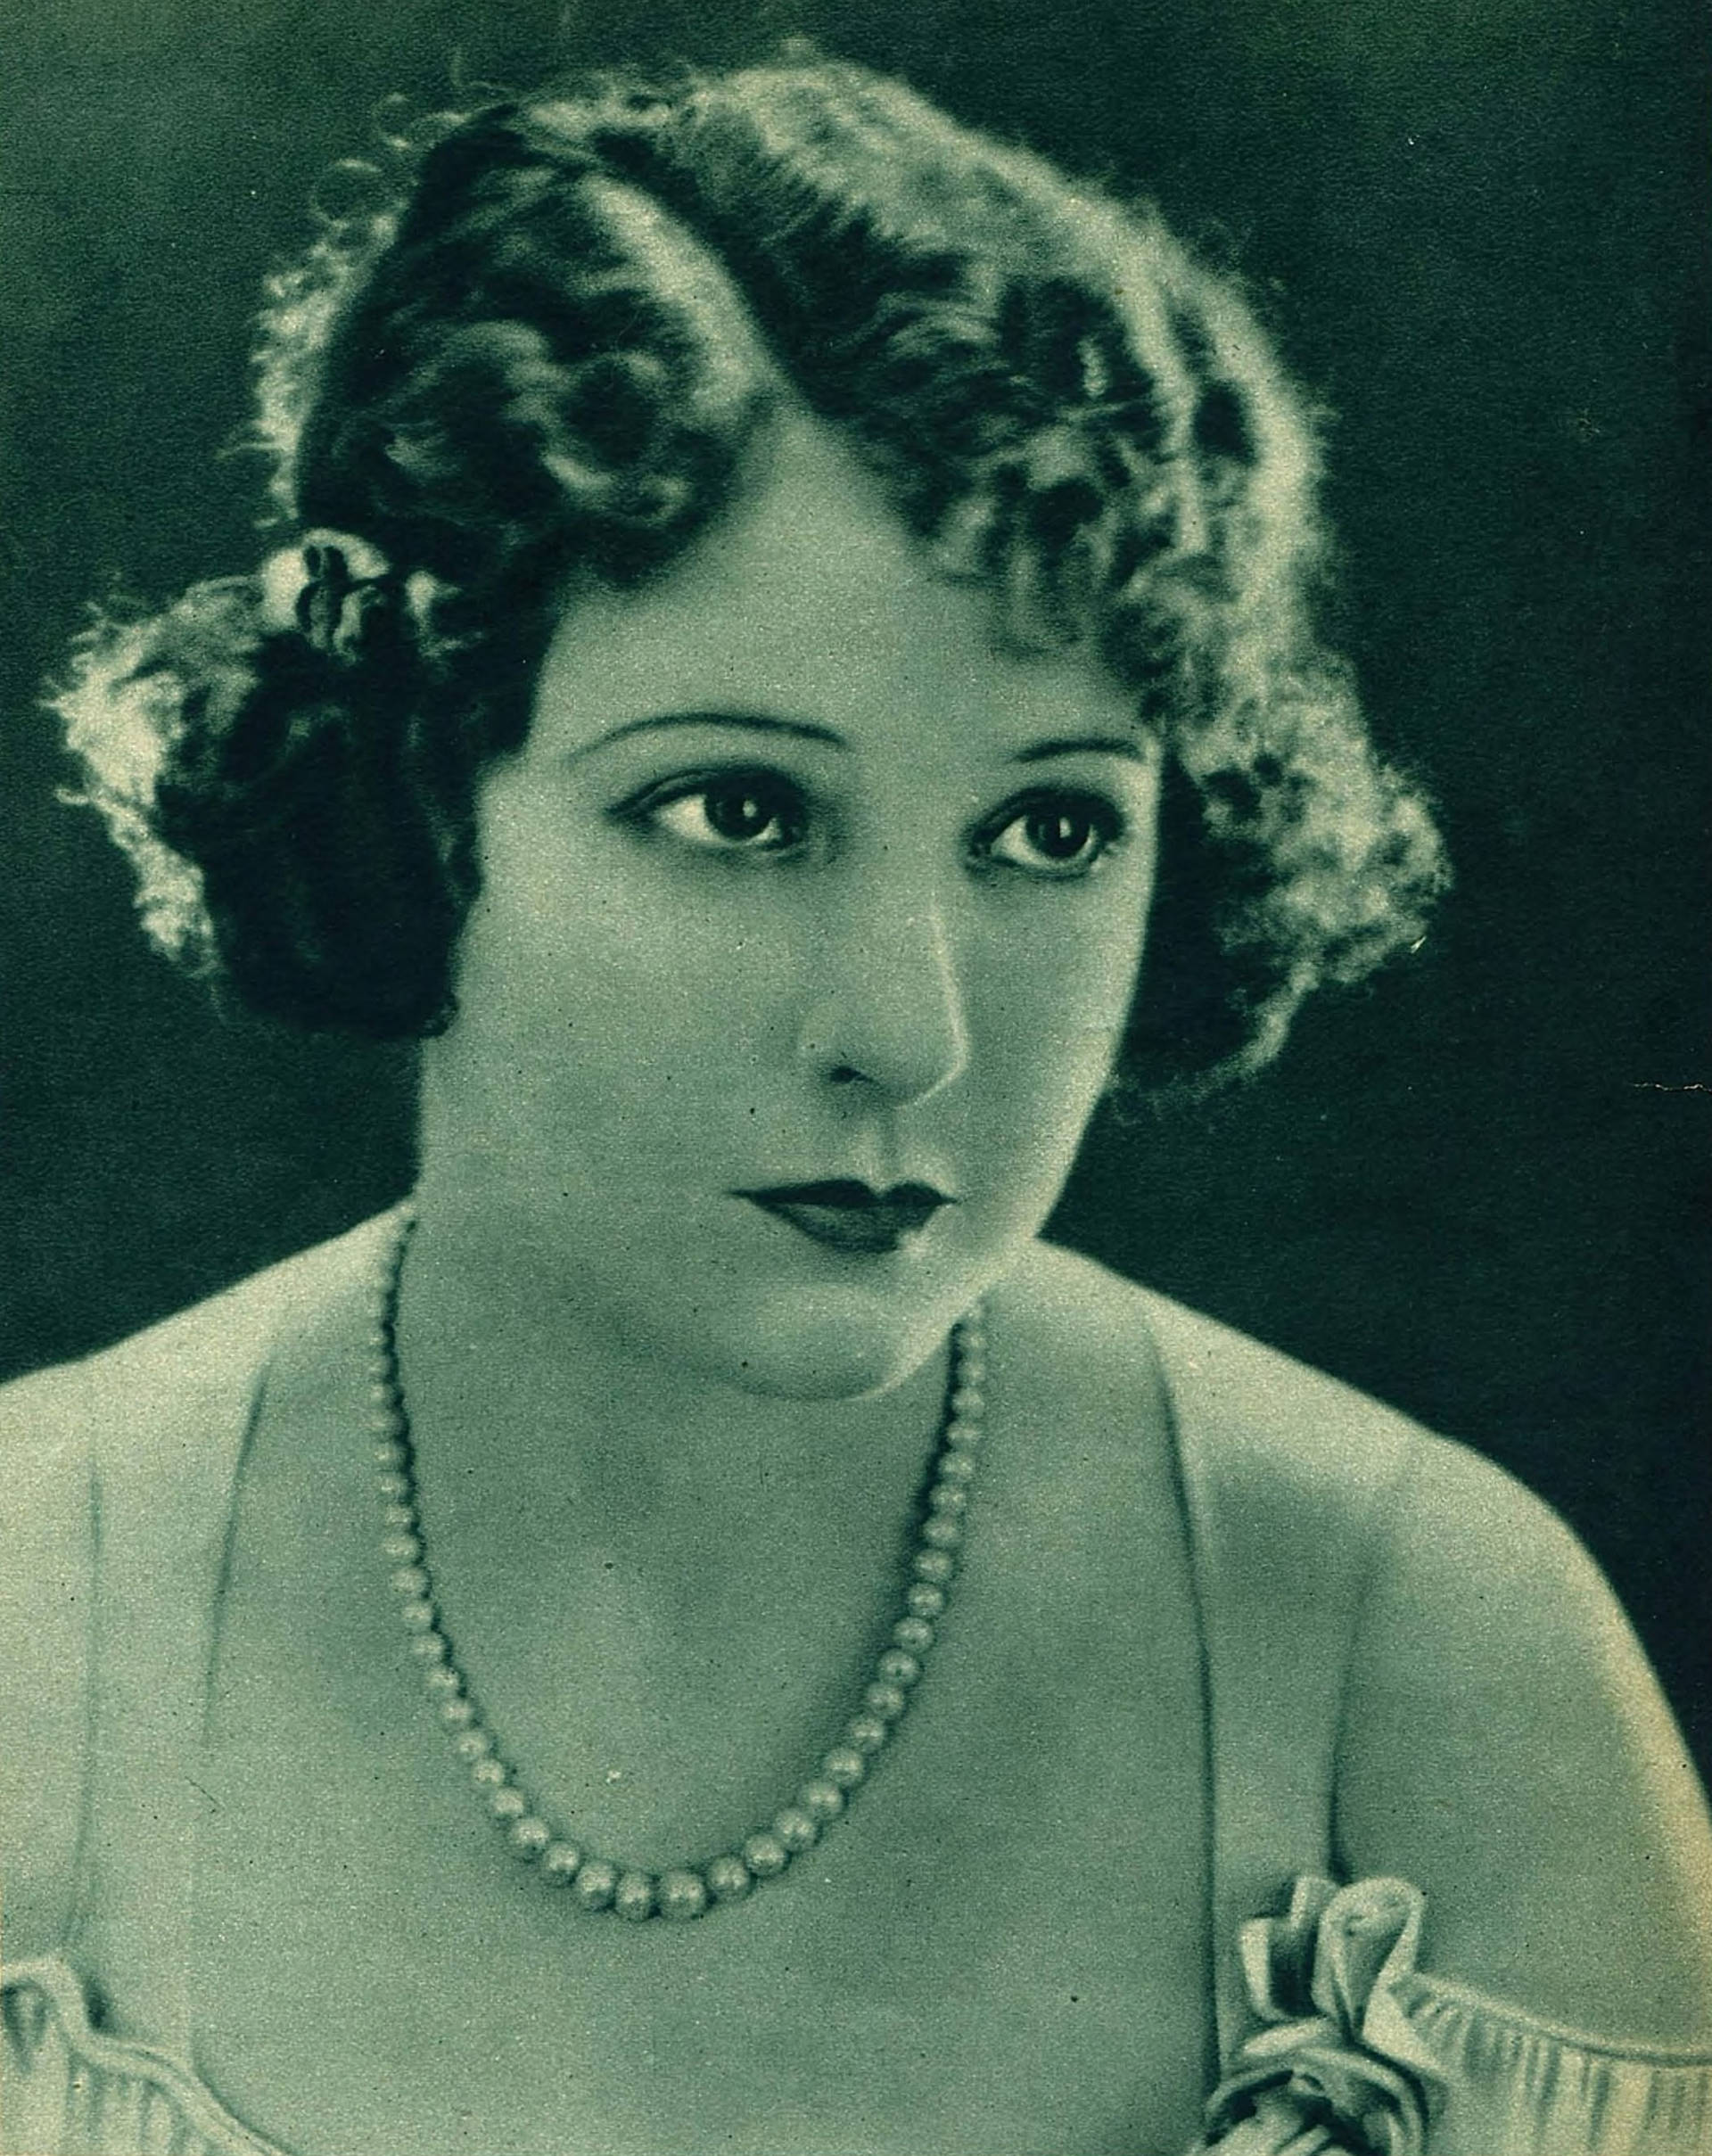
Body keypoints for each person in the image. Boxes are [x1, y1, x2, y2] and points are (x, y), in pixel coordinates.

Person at [1, 53, 1708, 2156]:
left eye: (1053, 832)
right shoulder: (24, 1618)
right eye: (740, 811)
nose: (913, 1035)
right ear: (421, 791)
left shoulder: (1430, 1662)